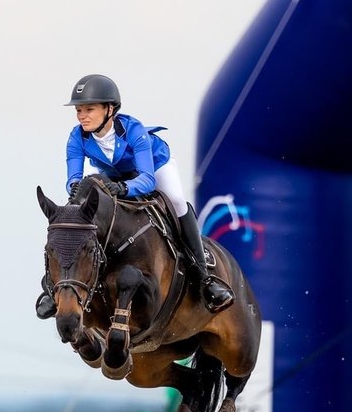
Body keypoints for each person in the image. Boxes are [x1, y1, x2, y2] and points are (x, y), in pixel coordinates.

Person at [35, 74, 235, 319]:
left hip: (154, 167)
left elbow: (147, 179)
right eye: (78, 110)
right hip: (113, 174)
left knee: (176, 201)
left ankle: (204, 277)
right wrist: (75, 189)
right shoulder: (77, 137)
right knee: (74, 214)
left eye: (89, 109)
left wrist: (124, 189)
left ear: (110, 109)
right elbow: (73, 176)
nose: (82, 116)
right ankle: (51, 287)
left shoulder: (133, 130)